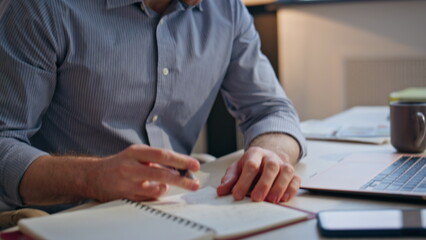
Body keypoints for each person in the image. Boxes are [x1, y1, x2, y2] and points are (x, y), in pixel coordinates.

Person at [0, 0, 307, 215]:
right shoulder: (42, 8)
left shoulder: (226, 9)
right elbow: (4, 142)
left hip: (176, 212)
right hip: (67, 218)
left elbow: (271, 110)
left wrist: (272, 154)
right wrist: (91, 177)